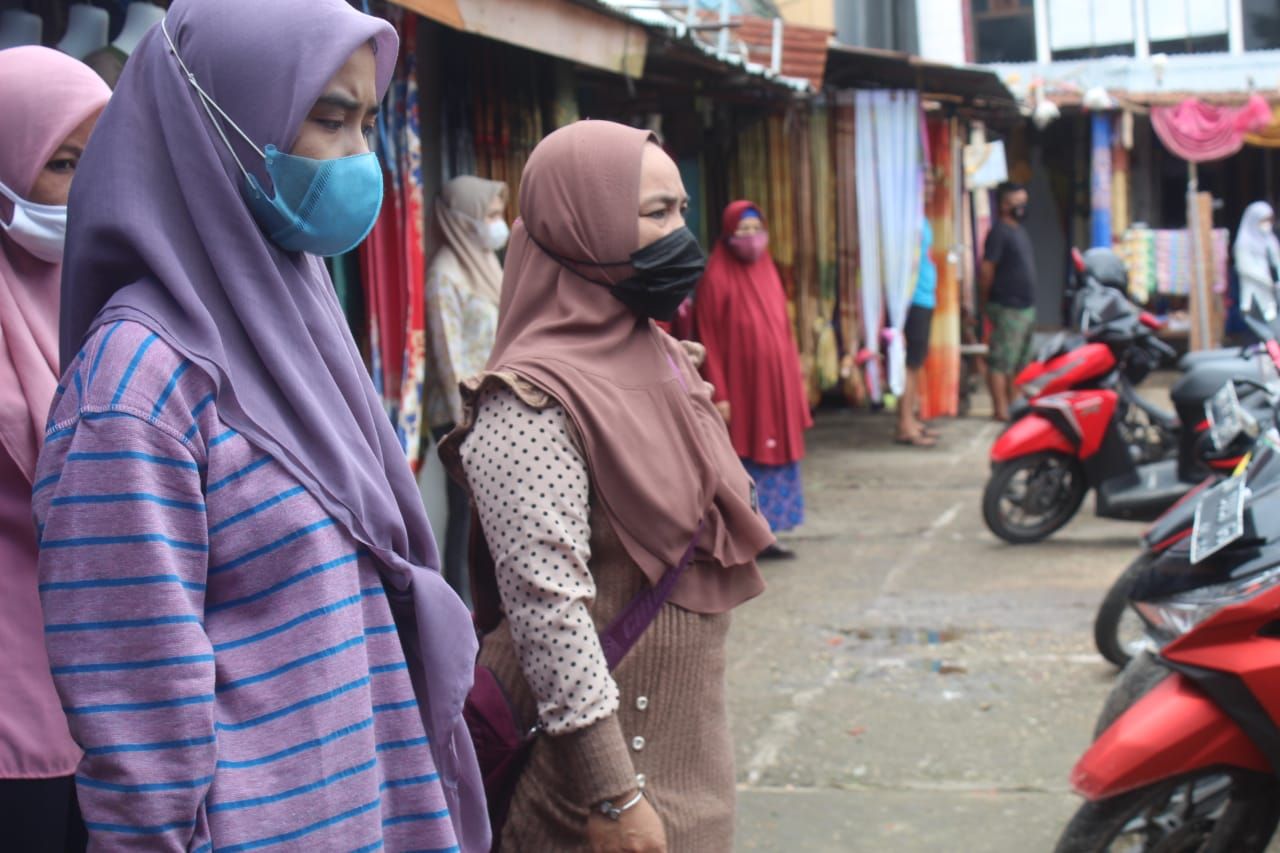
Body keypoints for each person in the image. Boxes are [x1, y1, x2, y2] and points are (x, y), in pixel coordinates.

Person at [39, 2, 485, 850]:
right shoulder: (136, 387)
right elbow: (140, 733)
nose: (362, 157)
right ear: (224, 123)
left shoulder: (294, 315)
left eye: (366, 122)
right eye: (329, 119)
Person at [440, 120, 775, 852]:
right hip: (589, 804)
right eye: (656, 214)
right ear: (581, 226)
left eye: (684, 210)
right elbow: (547, 610)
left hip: (693, 781)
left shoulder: (662, 354)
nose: (680, 235)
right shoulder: (527, 403)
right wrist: (614, 794)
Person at [0, 45, 108, 851]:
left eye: (101, 159)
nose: (89, 188)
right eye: (63, 163)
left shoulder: (115, 288)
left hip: (114, 702)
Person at [693, 201, 813, 558]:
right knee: (745, 457)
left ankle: (770, 531)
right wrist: (721, 393)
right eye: (742, 231)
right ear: (728, 235)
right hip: (742, 389)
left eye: (755, 230)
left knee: (778, 455)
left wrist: (794, 380)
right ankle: (745, 533)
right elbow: (707, 337)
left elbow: (783, 329)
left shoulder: (768, 269)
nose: (751, 239)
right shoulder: (716, 276)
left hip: (775, 385)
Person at [425, 175, 508, 604]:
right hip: (460, 414)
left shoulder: (488, 262)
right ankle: (461, 607)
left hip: (493, 409)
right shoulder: (446, 273)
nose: (498, 223)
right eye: (490, 214)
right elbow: (447, 358)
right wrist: (468, 420)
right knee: (465, 513)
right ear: (465, 217)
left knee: (491, 512)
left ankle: (491, 601)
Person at [981, 181, 1038, 422]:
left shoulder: (1018, 231)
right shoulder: (999, 232)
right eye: (1017, 203)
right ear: (1004, 205)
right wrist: (986, 303)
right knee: (1001, 361)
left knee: (1020, 362)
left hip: (1025, 307)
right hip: (1007, 307)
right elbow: (986, 271)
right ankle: (1000, 409)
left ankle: (1014, 403)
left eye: (1024, 203)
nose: (1022, 208)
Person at [898, 216, 938, 447]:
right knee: (910, 365)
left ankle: (909, 419)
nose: (930, 189)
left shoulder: (922, 220)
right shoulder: (907, 218)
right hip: (915, 299)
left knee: (915, 364)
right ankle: (905, 424)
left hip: (924, 297)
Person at [1234, 200, 1280, 321]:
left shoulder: (1269, 239)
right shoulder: (1243, 242)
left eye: (1269, 220)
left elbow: (1277, 259)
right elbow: (1245, 268)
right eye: (1264, 220)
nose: (1267, 224)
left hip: (1270, 292)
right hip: (1254, 292)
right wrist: (1267, 281)